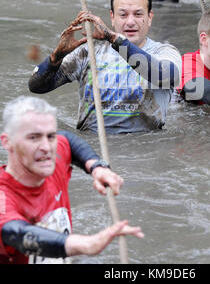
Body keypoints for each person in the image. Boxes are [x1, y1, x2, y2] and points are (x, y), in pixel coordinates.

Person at [0, 96, 143, 264]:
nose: (46, 147)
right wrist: (87, 244)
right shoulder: (3, 196)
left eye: (50, 136)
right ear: (7, 142)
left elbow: (67, 139)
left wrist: (97, 167)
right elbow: (16, 233)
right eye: (33, 137)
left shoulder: (49, 159)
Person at [28, 0, 182, 134]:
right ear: (112, 17)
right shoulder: (89, 52)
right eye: (123, 14)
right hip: (93, 145)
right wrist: (56, 57)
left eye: (138, 14)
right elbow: (37, 86)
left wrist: (115, 39)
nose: (130, 22)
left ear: (150, 17)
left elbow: (165, 76)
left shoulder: (164, 52)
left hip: (146, 145)